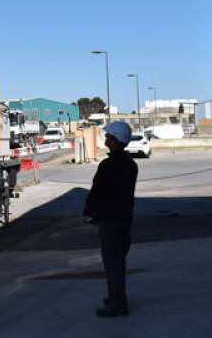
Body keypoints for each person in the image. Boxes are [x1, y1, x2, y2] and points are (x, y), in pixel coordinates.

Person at [83, 121, 138, 317]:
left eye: (108, 137)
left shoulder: (107, 165)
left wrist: (88, 210)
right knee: (119, 261)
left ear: (115, 140)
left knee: (112, 264)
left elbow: (98, 191)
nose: (105, 139)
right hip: (124, 219)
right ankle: (117, 297)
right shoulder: (131, 165)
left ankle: (117, 305)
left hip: (109, 221)